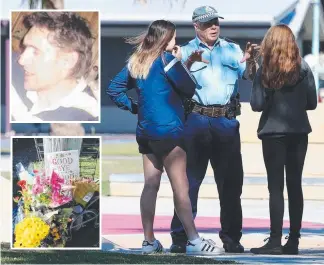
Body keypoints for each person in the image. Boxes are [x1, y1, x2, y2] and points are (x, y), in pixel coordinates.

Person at [107, 19, 223, 255]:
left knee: (151, 185)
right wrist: (182, 62)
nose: (175, 41)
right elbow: (190, 89)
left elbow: (113, 89)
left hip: (146, 134)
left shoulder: (136, 62)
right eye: (173, 37)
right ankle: (194, 240)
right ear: (164, 39)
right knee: (181, 187)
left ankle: (149, 242)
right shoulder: (168, 60)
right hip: (170, 133)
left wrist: (133, 107)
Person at [169, 5, 259, 253]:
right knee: (189, 183)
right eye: (208, 23)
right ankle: (180, 236)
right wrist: (185, 61)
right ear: (196, 26)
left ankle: (231, 238)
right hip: (196, 121)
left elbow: (249, 76)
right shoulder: (184, 51)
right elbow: (175, 84)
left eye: (216, 22)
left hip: (226, 122)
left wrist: (252, 63)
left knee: (231, 184)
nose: (214, 27)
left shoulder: (232, 49)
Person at [249, 24, 317, 255]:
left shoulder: (265, 70)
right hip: (299, 132)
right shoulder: (304, 68)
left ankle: (275, 240)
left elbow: (257, 105)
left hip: (272, 133)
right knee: (295, 185)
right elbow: (312, 103)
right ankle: (294, 241)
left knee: (275, 188)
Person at [11, 11, 99, 122]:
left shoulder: (85, 119)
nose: (21, 60)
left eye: (36, 52)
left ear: (67, 61)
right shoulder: (10, 68)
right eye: (25, 47)